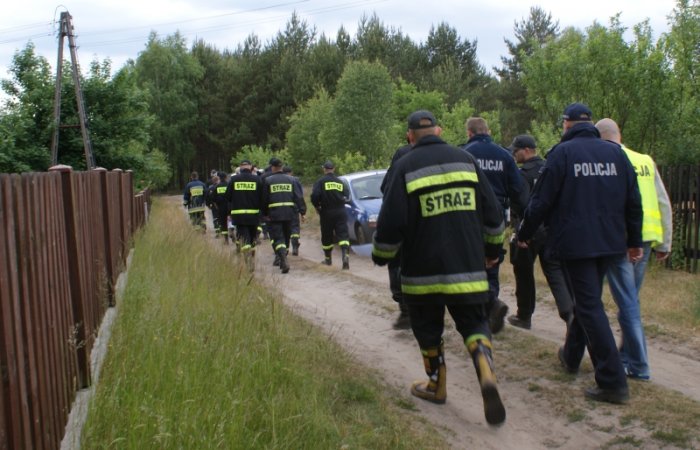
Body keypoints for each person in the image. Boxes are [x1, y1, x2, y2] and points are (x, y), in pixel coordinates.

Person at [373, 110, 506, 426]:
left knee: (428, 329)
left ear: (409, 136)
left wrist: (381, 255)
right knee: (474, 323)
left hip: (422, 274)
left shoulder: (404, 166)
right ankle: (484, 365)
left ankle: (436, 385)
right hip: (468, 270)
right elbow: (493, 216)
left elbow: (391, 223)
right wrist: (492, 253)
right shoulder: (466, 160)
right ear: (439, 130)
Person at [517, 103, 643, 404]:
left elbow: (540, 201)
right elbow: (633, 200)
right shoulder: (616, 154)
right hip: (610, 242)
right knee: (587, 301)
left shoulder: (562, 154)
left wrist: (524, 233)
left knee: (588, 306)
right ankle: (571, 356)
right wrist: (635, 240)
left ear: (567, 124)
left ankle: (612, 381)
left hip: (576, 244)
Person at [596, 118, 673, 381]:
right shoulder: (645, 160)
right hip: (647, 239)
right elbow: (663, 202)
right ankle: (626, 356)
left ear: (600, 137)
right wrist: (665, 242)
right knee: (631, 301)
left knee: (625, 302)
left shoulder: (611, 159)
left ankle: (638, 364)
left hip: (622, 239)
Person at [460, 117, 528, 334]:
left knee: (469, 264)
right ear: (488, 131)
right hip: (497, 217)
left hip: (468, 217)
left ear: (469, 133)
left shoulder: (463, 154)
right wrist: (523, 221)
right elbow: (518, 192)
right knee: (493, 261)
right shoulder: (504, 156)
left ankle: (484, 310)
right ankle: (491, 311)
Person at [507, 135, 574, 330]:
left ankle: (524, 315)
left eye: (516, 150)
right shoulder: (549, 168)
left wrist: (521, 230)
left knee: (523, 272)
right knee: (554, 272)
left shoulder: (522, 174)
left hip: (529, 229)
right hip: (552, 229)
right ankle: (569, 314)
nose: (514, 154)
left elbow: (522, 203)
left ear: (527, 150)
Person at [380, 141, 413, 329]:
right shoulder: (444, 154)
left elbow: (387, 188)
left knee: (397, 263)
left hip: (406, 223)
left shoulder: (402, 155)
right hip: (437, 223)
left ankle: (405, 309)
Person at [261, 158, 306, 274]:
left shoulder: (268, 181)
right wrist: (302, 212)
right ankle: (284, 256)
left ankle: (283, 258)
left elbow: (264, 199)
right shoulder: (292, 180)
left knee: (278, 238)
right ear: (281, 167)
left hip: (274, 215)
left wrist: (264, 214)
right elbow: (298, 197)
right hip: (289, 214)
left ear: (273, 167)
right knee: (286, 237)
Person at [311, 160, 351, 269]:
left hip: (326, 212)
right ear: (334, 169)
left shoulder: (320, 182)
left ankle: (328, 259)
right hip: (341, 211)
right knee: (343, 235)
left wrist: (317, 206)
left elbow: (315, 196)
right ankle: (345, 257)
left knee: (327, 236)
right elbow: (347, 195)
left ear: (324, 169)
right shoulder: (340, 182)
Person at [227, 159, 264, 271]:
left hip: (239, 216)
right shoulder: (257, 180)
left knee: (244, 237)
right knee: (252, 238)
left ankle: (248, 259)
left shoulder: (234, 179)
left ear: (240, 167)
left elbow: (228, 197)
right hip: (254, 215)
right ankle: (251, 255)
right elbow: (262, 197)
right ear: (251, 167)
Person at [283, 165, 306, 256]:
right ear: (291, 172)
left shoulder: (280, 180)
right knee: (294, 227)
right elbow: (299, 196)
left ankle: (285, 248)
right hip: (293, 208)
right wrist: (302, 211)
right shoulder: (295, 180)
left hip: (282, 209)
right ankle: (295, 245)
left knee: (285, 228)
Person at [212, 172, 230, 243]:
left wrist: (217, 207)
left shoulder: (217, 186)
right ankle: (232, 231)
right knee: (231, 221)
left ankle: (226, 239)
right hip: (230, 207)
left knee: (223, 223)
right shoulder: (229, 185)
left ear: (219, 178)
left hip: (221, 207)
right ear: (226, 177)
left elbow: (213, 199)